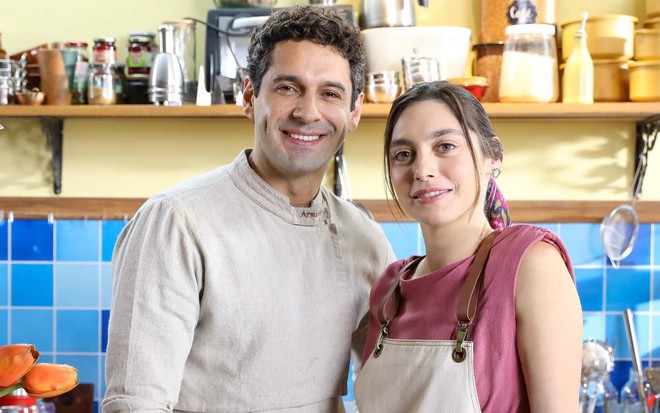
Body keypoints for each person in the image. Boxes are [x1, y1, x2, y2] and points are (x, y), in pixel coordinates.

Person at [103, 6, 395, 413]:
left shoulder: (365, 240)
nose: (308, 112)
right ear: (249, 96)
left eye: (330, 93)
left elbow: (390, 387)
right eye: (288, 88)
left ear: (355, 112)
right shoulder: (176, 222)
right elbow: (136, 404)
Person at [354, 81, 583, 412]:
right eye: (404, 155)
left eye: (445, 146)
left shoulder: (530, 264)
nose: (422, 170)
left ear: (491, 156)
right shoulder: (388, 289)